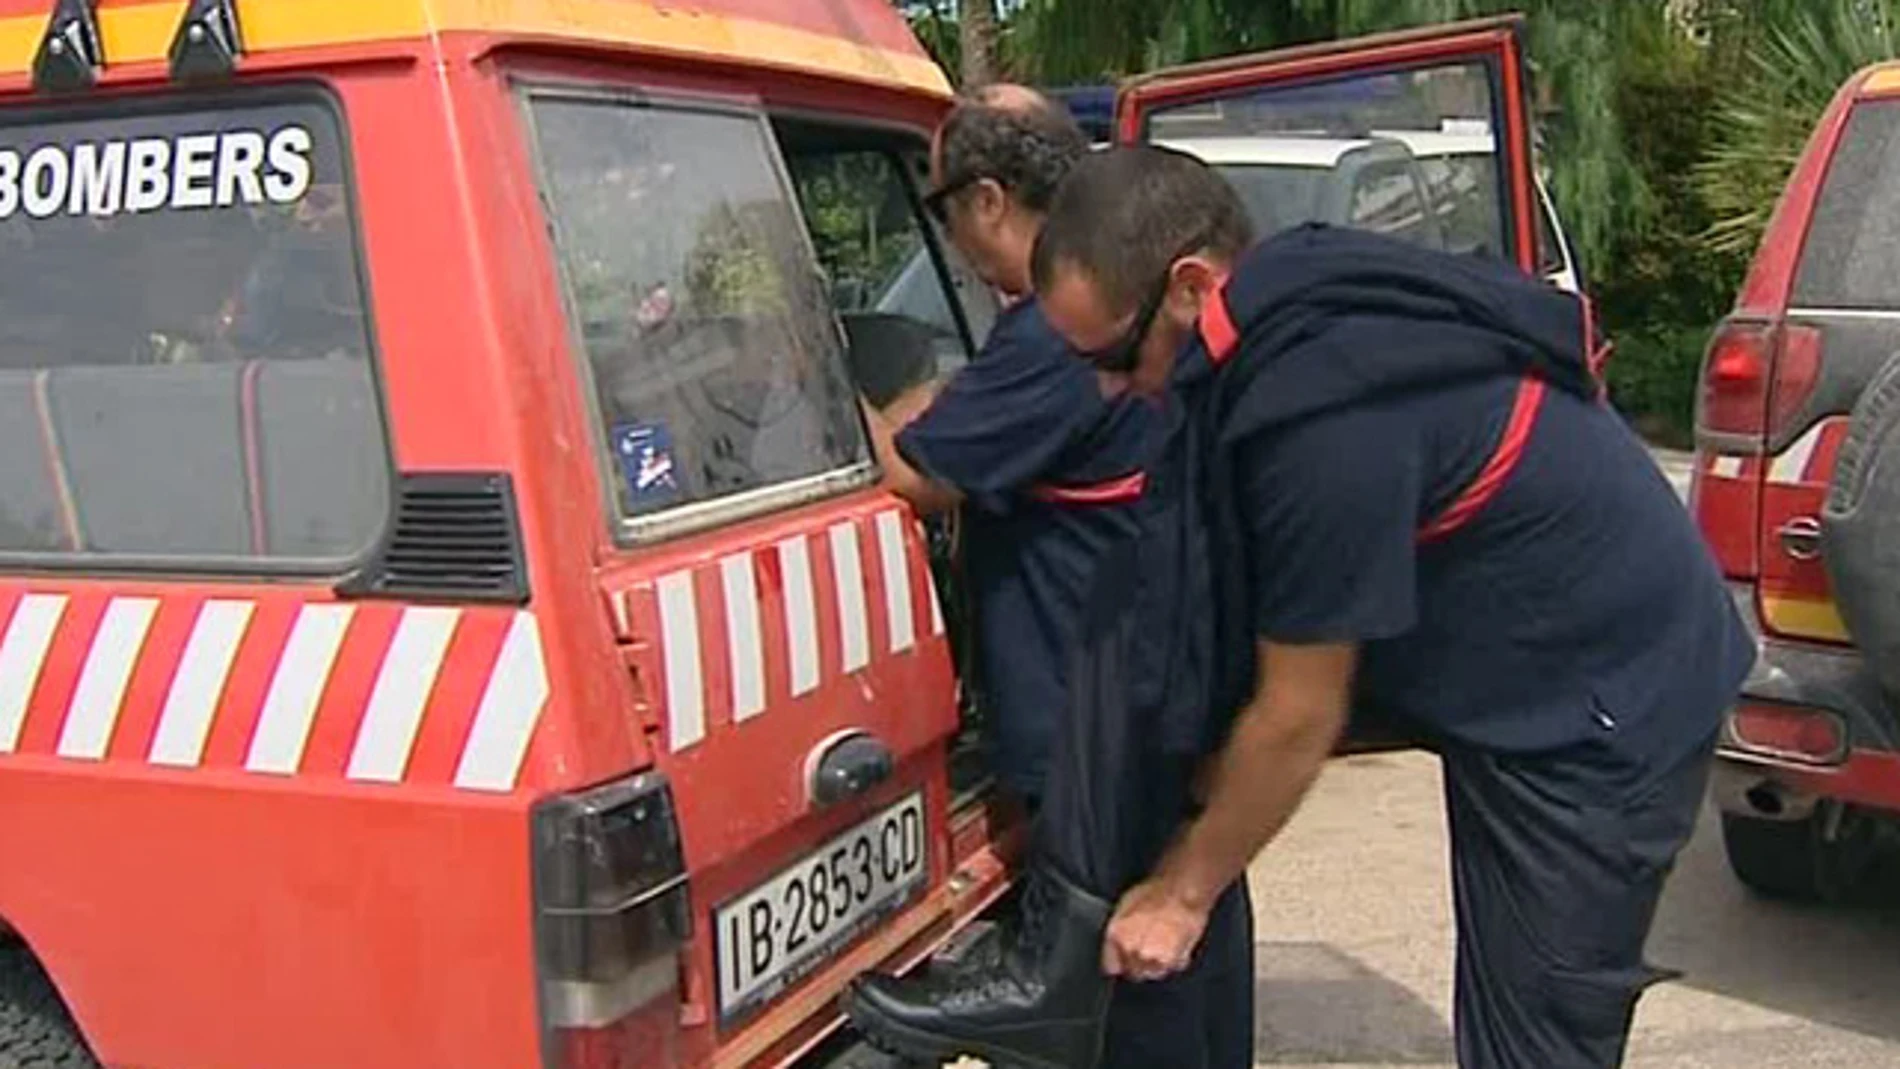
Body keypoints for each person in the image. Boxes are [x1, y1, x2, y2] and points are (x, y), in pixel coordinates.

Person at [1024, 144, 1754, 1068]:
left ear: (1191, 287)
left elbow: (1300, 713)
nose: (1109, 388)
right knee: (1154, 656)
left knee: (1532, 1031)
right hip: (1488, 634)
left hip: (1602, 700)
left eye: (1114, 356)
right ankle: (1055, 963)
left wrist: (1183, 893)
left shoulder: (1324, 408)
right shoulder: (1284, 302)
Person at [844, 92, 1253, 1069]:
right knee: (1190, 952)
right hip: (1159, 693)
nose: (955, 244)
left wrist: (811, 372)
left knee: (1125, 983)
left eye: (945, 212)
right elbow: (972, 407)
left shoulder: (1052, 336)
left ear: (987, 200)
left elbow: (911, 473)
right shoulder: (1094, 315)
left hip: (1091, 713)